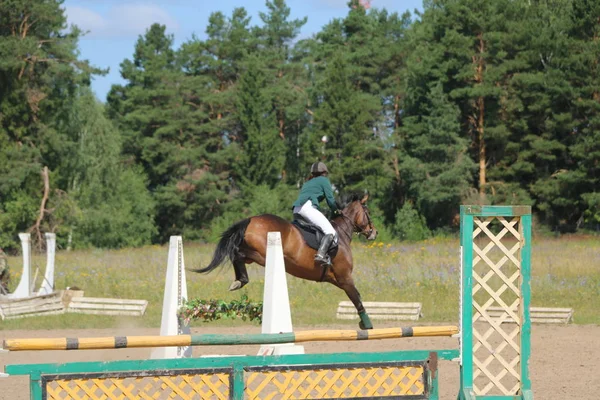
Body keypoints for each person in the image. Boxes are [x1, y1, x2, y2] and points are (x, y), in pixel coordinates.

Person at [292, 161, 339, 265]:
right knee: (331, 232)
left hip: (296, 209)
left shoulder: (308, 182)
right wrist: (336, 211)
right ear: (324, 172)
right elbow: (330, 200)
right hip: (307, 208)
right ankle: (321, 255)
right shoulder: (324, 180)